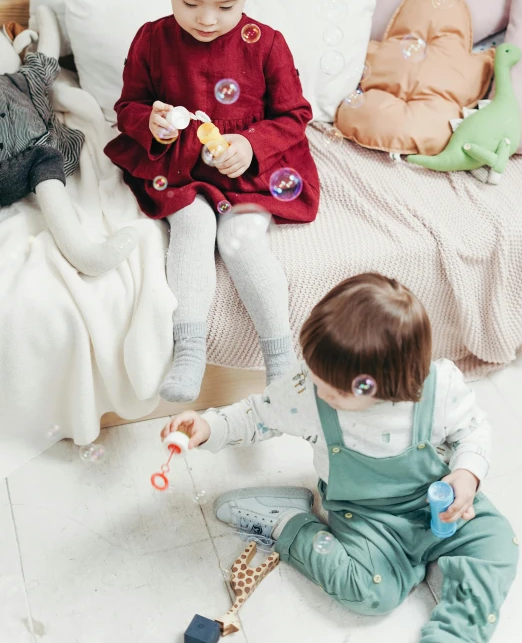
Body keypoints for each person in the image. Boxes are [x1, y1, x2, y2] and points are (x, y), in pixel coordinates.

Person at [161, 273, 519, 641]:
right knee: (370, 594)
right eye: (315, 373)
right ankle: (289, 525)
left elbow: (473, 430)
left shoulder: (439, 388)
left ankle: (456, 634)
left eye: (333, 387)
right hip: (367, 517)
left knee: (499, 543)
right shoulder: (311, 390)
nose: (318, 386)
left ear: (388, 382)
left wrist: (466, 474)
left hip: (440, 505)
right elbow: (258, 414)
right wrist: (209, 427)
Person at [104, 0, 319, 402]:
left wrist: (250, 145)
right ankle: (190, 350)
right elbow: (129, 105)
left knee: (241, 241)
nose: (206, 19)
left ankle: (279, 358)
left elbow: (294, 116)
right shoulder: (152, 40)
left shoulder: (267, 45)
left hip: (246, 165)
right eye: (189, 1)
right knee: (194, 226)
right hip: (179, 165)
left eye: (226, 6)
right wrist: (149, 121)